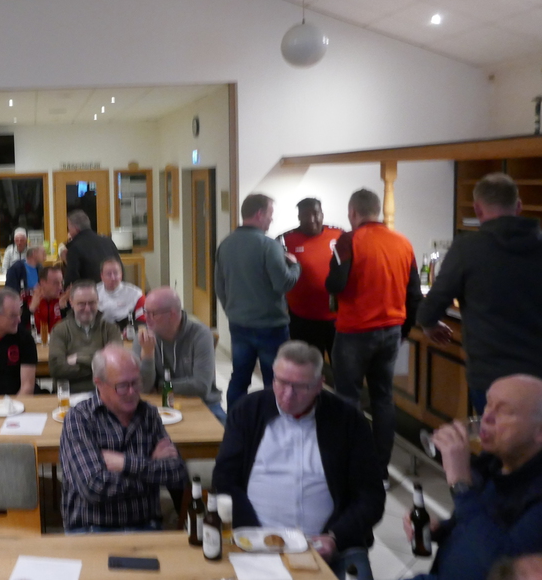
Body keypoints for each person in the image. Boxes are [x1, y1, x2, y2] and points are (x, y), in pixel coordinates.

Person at [212, 341, 385, 580]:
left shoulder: (348, 421)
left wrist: (335, 538)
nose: (288, 394)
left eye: (300, 387)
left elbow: (371, 497)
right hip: (255, 540)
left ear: (319, 385)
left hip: (329, 544)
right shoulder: (248, 411)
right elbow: (224, 480)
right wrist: (254, 533)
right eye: (281, 382)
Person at [417, 173, 542, 415]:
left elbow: (431, 306)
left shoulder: (467, 248)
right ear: (518, 206)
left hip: (490, 375)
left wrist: (429, 324)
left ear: (477, 209)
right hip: (537, 376)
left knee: (494, 435)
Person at [327, 188, 420, 485]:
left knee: (348, 399)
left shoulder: (348, 241)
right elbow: (414, 295)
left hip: (354, 332)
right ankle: (380, 473)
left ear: (353, 212)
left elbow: (335, 284)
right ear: (377, 211)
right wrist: (404, 331)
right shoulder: (403, 243)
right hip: (390, 331)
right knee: (383, 399)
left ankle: (354, 470)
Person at [407, 375, 542, 580]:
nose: (486, 417)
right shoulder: (494, 461)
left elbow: (503, 565)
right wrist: (440, 529)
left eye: (504, 411)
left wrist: (461, 484)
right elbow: (477, 520)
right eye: (488, 404)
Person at [60, 344, 187, 532]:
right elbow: (94, 488)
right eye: (122, 386)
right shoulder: (80, 418)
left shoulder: (149, 414)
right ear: (99, 383)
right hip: (92, 527)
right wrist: (151, 468)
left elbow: (177, 473)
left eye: (136, 383)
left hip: (145, 524)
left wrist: (124, 463)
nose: (131, 392)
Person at [215, 194, 300, 409]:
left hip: (239, 324)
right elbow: (283, 283)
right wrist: (295, 266)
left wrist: (232, 311)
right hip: (271, 326)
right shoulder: (269, 246)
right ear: (260, 214)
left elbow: (220, 287)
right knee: (276, 380)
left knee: (239, 377)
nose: (272, 219)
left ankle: (234, 421)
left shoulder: (225, 245)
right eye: (270, 214)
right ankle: (272, 421)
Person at [136, 287, 225, 424]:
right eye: (145, 311)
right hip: (157, 403)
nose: (146, 318)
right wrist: (148, 355)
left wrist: (160, 385)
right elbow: (143, 388)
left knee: (224, 433)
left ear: (172, 315)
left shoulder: (200, 335)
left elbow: (201, 386)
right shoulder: (144, 337)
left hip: (202, 403)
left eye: (153, 313)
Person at [278, 198, 343, 360]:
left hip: (337, 318)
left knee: (341, 366)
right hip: (302, 319)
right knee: (306, 367)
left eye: (315, 213)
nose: (311, 219)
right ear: (299, 217)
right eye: (305, 215)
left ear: (322, 214)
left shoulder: (339, 235)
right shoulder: (285, 240)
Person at [48, 280, 121, 392]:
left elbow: (115, 364)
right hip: (68, 395)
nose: (87, 309)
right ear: (71, 302)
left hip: (102, 395)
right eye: (81, 304)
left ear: (98, 301)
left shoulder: (110, 329)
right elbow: (56, 369)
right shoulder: (59, 330)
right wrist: (98, 365)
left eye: (92, 303)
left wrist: (78, 358)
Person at [64, 210, 120, 284]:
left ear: (76, 229)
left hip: (89, 289)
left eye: (69, 228)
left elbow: (71, 279)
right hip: (113, 287)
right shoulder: (108, 242)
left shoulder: (74, 247)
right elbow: (120, 268)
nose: (69, 232)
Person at [96, 257, 144, 333]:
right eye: (108, 274)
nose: (113, 278)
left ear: (121, 274)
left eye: (116, 273)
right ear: (102, 276)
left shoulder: (136, 294)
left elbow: (143, 322)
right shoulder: (92, 293)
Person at [27, 264, 69, 334]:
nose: (60, 287)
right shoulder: (27, 298)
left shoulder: (64, 298)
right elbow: (18, 328)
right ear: (42, 283)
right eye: (55, 283)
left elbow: (72, 331)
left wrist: (64, 310)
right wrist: (30, 310)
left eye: (61, 282)